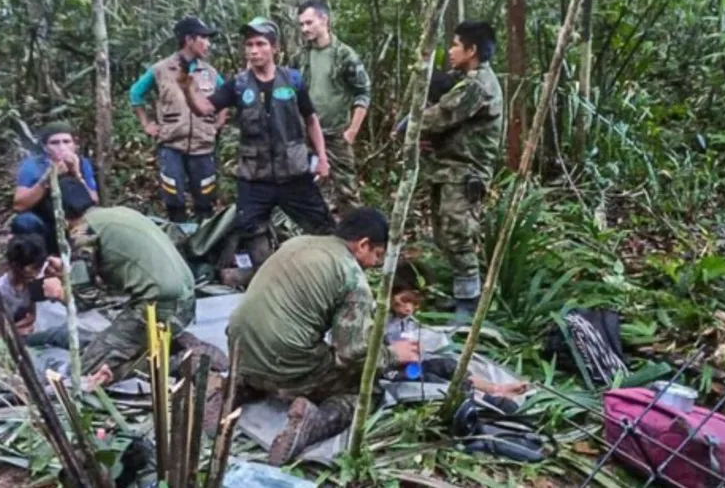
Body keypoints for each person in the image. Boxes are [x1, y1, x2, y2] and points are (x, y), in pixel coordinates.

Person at [224, 208, 421, 465]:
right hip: (285, 362)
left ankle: (236, 388)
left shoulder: (297, 243)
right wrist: (393, 354)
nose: (375, 264)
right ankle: (314, 422)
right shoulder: (352, 277)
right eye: (377, 255)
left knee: (276, 349)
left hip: (238, 349)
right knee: (365, 391)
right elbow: (351, 353)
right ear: (363, 244)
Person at [179, 17, 334, 268]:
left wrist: (322, 158)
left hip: (294, 173)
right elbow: (204, 108)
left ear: (274, 48)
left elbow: (311, 120)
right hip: (255, 177)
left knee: (323, 227)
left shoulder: (293, 80)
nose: (253, 50)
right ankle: (264, 272)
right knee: (249, 228)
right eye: (249, 45)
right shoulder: (238, 85)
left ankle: (327, 271)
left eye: (260, 44)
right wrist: (187, 87)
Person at [46, 179, 227, 385]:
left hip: (158, 307)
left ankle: (181, 361)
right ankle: (172, 344)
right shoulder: (118, 214)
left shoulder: (83, 230)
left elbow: (85, 299)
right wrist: (69, 270)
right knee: (109, 343)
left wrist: (59, 292)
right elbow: (116, 270)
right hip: (183, 301)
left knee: (85, 371)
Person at [409, 21, 503, 323]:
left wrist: (410, 126)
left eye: (455, 45)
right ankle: (461, 293)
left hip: (465, 172)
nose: (450, 51)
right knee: (444, 233)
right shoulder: (464, 80)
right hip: (448, 169)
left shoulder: (478, 85)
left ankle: (469, 303)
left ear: (471, 50)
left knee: (459, 234)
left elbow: (440, 116)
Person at [129, 17, 228, 223]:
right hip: (172, 144)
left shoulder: (210, 73)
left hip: (203, 146)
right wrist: (146, 124)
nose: (208, 44)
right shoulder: (161, 69)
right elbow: (136, 94)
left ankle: (204, 235)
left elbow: (226, 96)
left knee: (205, 198)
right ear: (189, 40)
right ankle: (177, 234)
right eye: (203, 38)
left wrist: (218, 123)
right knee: (173, 197)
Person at [293, 0, 371, 218]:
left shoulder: (345, 55)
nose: (304, 29)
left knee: (347, 192)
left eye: (309, 23)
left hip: (336, 135)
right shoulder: (300, 57)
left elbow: (363, 92)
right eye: (301, 24)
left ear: (324, 20)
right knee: (308, 190)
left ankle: (355, 233)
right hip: (306, 136)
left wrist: (352, 131)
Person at [382, 284, 527, 397]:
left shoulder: (408, 322)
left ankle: (494, 389)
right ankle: (478, 398)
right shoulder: (382, 321)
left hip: (411, 364)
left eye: (411, 304)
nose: (407, 309)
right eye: (403, 302)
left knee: (448, 366)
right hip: (390, 370)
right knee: (429, 379)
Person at [0, 234, 78, 348]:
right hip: (17, 340)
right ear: (15, 265)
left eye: (39, 268)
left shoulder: (42, 275)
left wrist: (63, 274)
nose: (36, 274)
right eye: (33, 269)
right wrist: (15, 330)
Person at [12, 122, 100, 255]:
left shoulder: (82, 163)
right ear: (45, 147)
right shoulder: (33, 165)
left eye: (66, 142)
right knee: (24, 222)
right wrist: (48, 179)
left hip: (76, 222)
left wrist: (76, 174)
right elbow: (19, 205)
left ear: (74, 145)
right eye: (54, 143)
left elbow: (94, 200)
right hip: (46, 220)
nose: (61, 147)